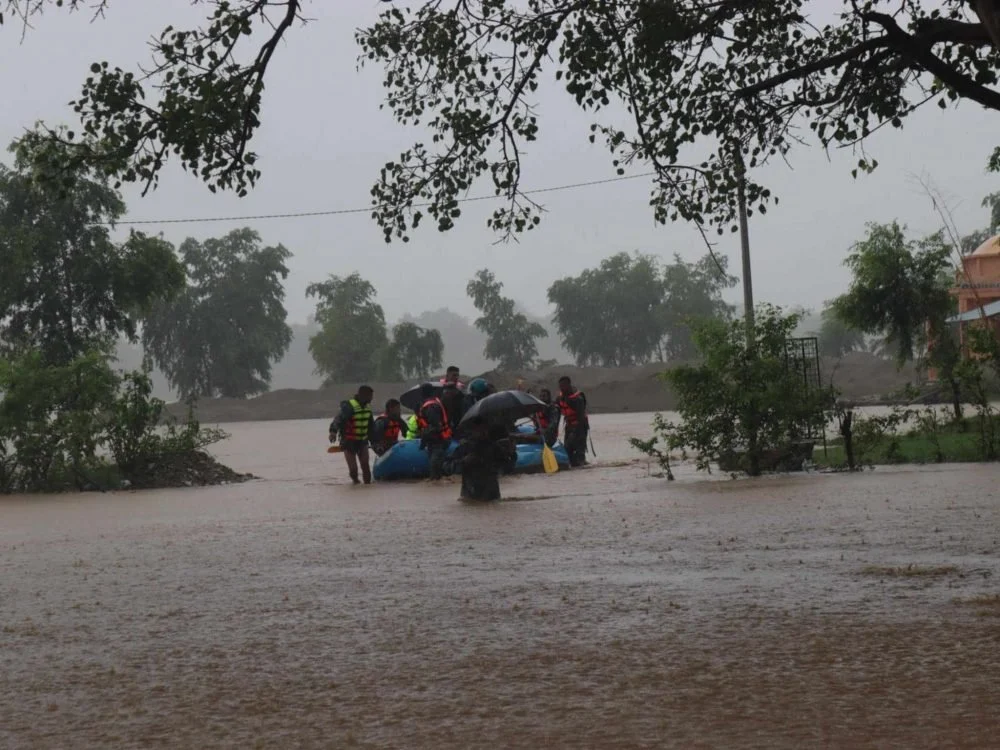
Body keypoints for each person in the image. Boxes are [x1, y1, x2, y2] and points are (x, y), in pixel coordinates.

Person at [453, 416, 515, 501]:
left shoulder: (493, 447)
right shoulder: (465, 447)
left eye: (485, 429)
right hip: (470, 497)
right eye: (479, 429)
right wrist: (464, 461)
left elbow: (508, 469)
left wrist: (512, 454)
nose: (483, 432)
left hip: (492, 497)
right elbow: (447, 467)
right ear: (473, 430)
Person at [329, 385, 375, 484]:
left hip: (362, 441)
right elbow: (338, 419)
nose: (372, 398)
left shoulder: (368, 408)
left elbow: (371, 427)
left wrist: (376, 441)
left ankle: (367, 487)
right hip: (349, 441)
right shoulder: (349, 407)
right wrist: (333, 432)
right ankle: (356, 482)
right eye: (370, 396)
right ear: (363, 395)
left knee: (365, 466)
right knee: (353, 470)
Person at [416, 382, 452, 479]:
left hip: (438, 439)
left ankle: (435, 481)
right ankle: (436, 481)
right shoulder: (433, 402)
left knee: (435, 465)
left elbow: (435, 426)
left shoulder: (430, 406)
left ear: (423, 393)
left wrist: (423, 440)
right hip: (436, 439)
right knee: (435, 462)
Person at [557, 376, 589, 467]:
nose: (561, 389)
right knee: (567, 449)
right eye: (560, 387)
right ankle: (573, 464)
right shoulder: (560, 398)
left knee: (580, 450)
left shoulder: (577, 399)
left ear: (569, 385)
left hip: (580, 427)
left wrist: (575, 432)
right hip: (569, 426)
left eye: (563, 386)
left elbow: (581, 418)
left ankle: (581, 464)